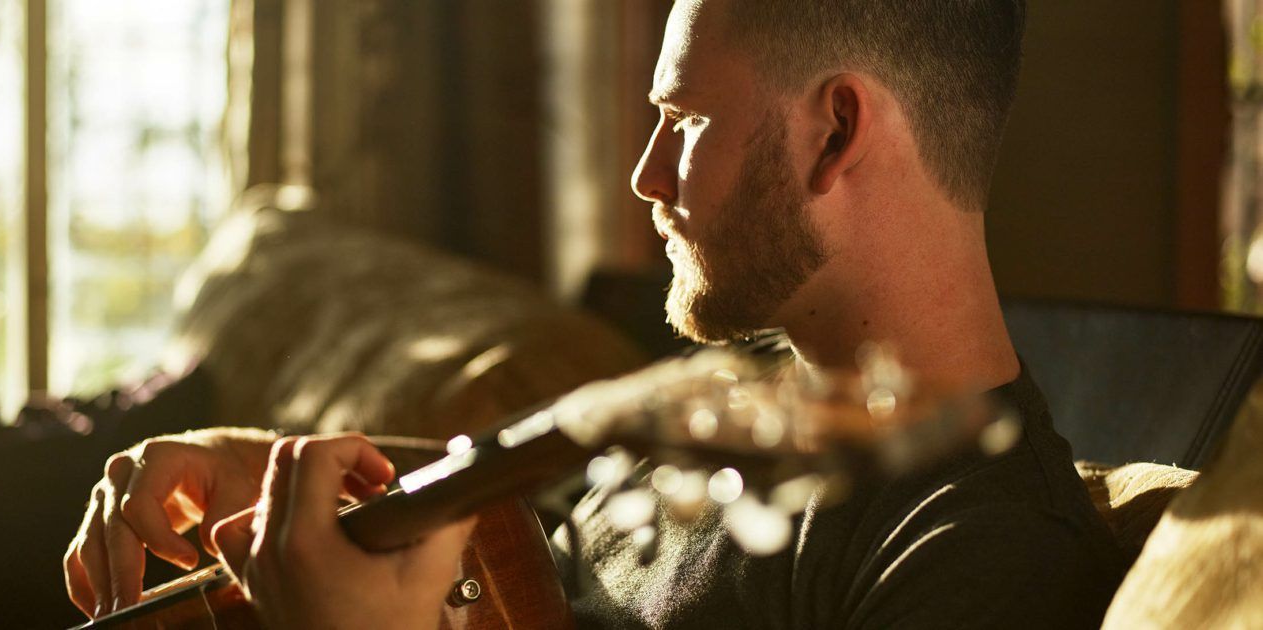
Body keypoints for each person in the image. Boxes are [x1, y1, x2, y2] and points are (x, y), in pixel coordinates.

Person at [62, 0, 1123, 627]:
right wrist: (293, 469)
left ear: (835, 133)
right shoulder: (723, 427)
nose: (646, 176)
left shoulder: (976, 560)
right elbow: (536, 543)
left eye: (687, 122)